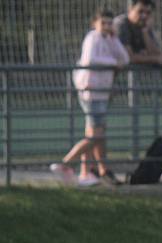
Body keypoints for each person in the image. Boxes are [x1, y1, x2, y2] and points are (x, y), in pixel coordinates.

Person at [50, 8, 129, 187]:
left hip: (103, 92)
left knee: (93, 133)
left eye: (110, 23)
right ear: (95, 23)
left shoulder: (109, 39)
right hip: (91, 92)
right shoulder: (92, 38)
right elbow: (90, 59)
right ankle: (65, 164)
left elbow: (124, 59)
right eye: (104, 23)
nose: (107, 26)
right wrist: (113, 63)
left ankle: (85, 174)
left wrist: (115, 39)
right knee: (96, 136)